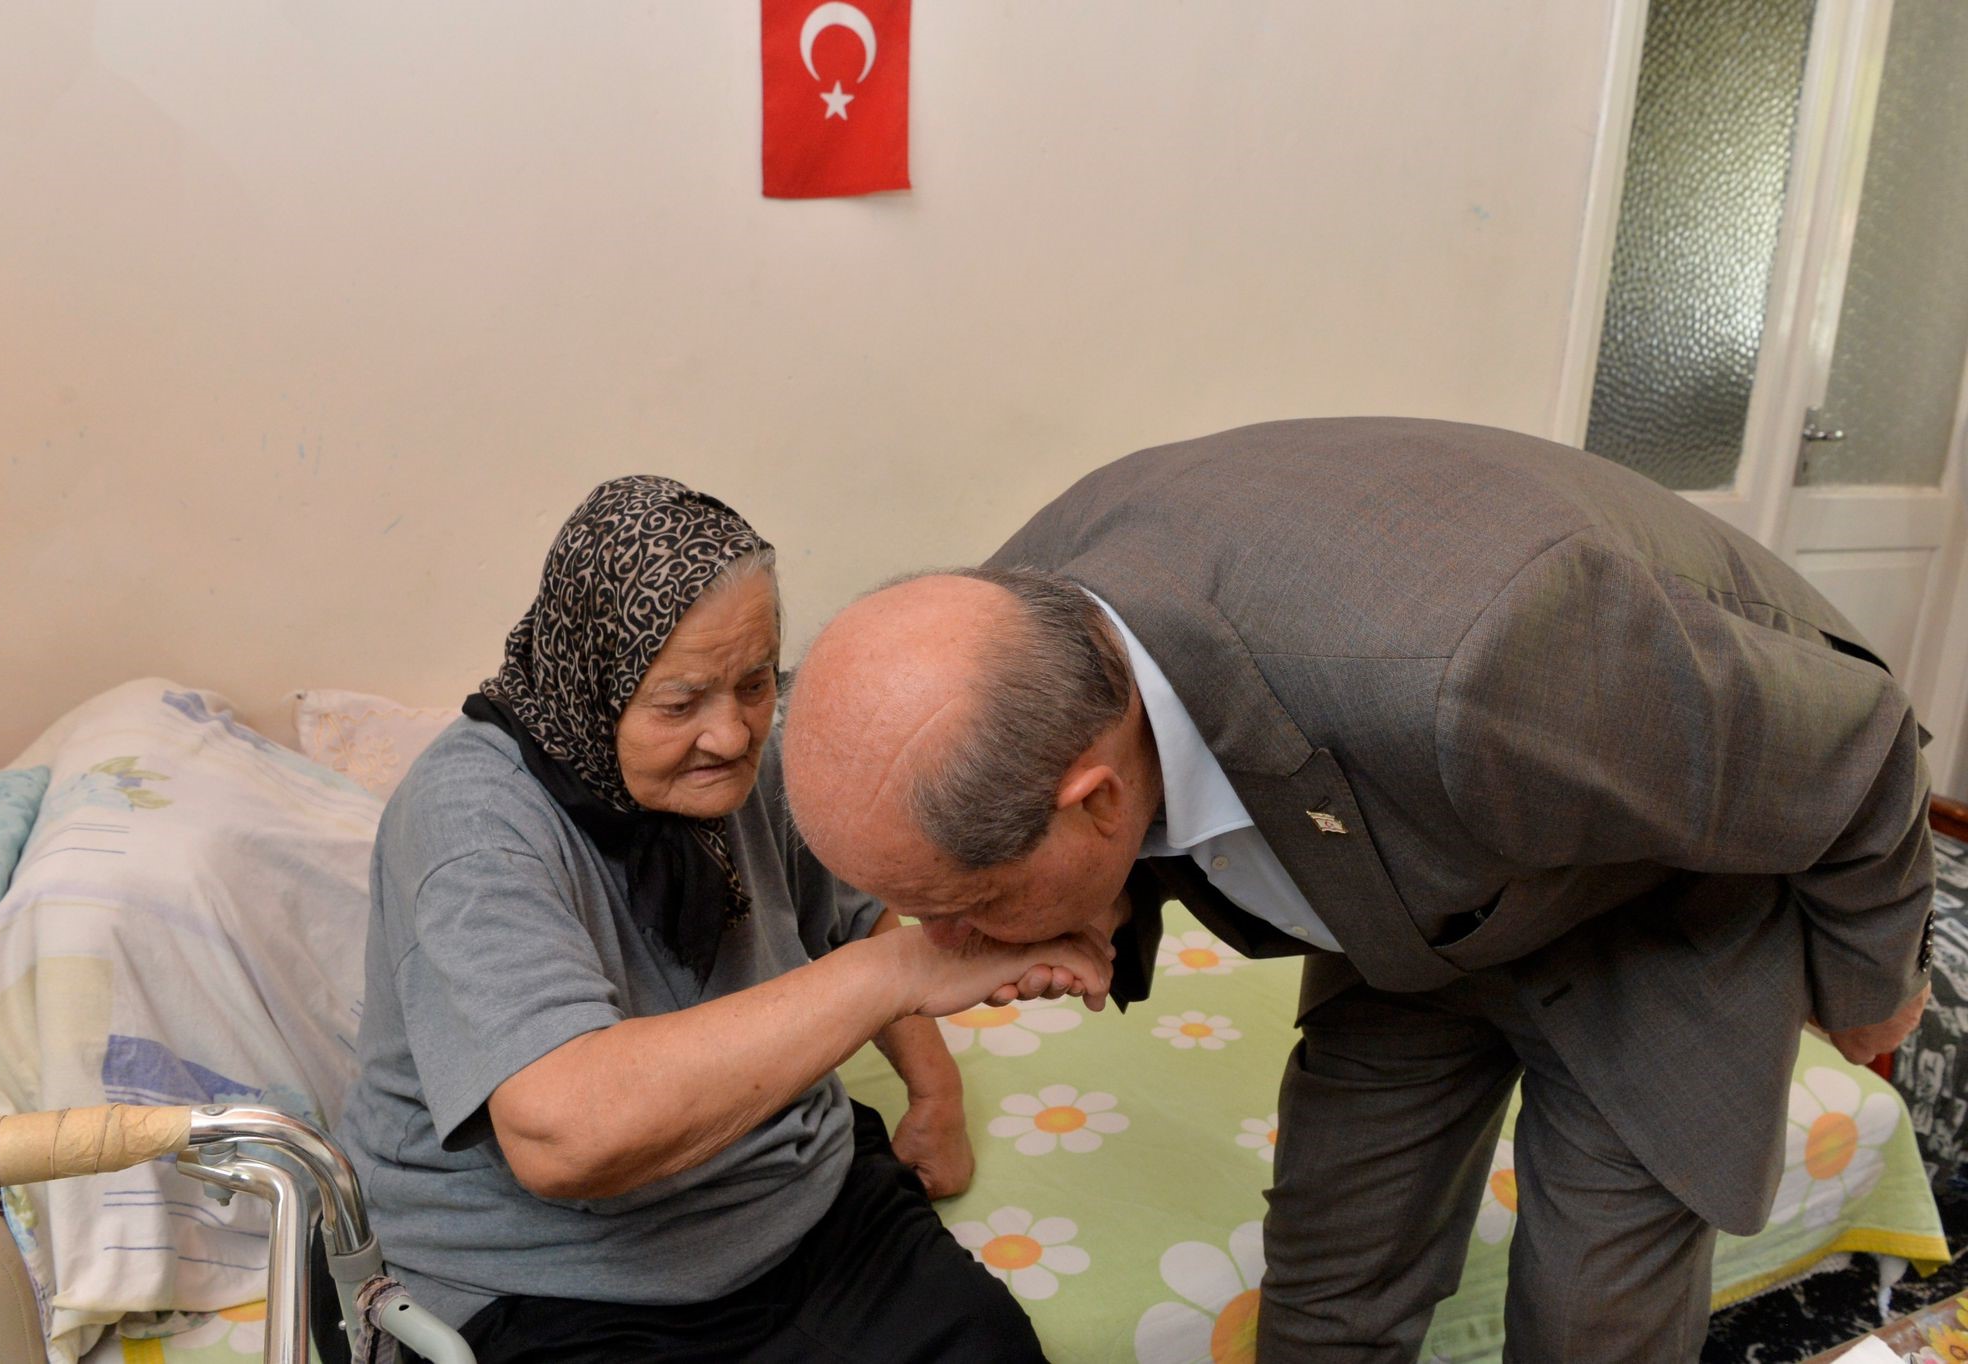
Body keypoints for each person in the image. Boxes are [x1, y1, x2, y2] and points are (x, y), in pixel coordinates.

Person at [779, 417, 1937, 1363]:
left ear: (1093, 801)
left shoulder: (1472, 672)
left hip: (1649, 915)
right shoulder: (1023, 624)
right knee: (1330, 1278)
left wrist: (1870, 985)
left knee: (1592, 1321)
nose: (947, 940)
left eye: (964, 903)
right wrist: (1099, 906)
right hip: (1403, 898)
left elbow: (1854, 750)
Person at [332, 476, 1112, 1364]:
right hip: (550, 1276)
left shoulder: (752, 762)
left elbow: (856, 921)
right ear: (591, 682)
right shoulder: (471, 821)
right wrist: (902, 976)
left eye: (755, 682)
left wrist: (937, 1097)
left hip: (796, 1202)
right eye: (680, 703)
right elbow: (564, 1134)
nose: (734, 734)